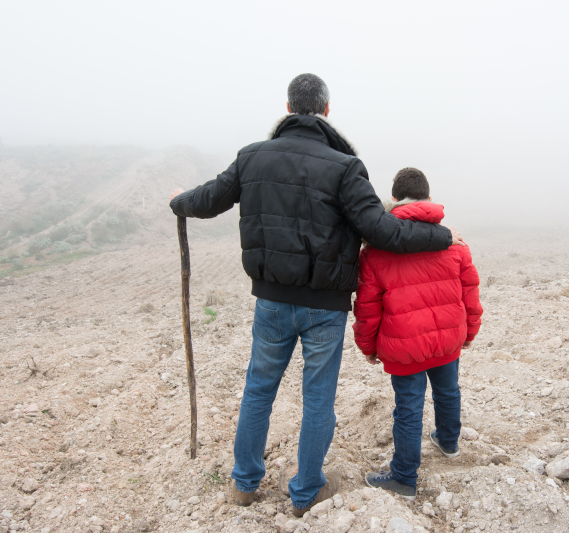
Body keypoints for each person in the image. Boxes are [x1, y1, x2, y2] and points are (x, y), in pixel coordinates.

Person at [167, 74, 464, 516]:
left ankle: (244, 484)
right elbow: (383, 230)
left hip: (271, 300)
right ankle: (306, 492)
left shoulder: (253, 157)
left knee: (258, 390)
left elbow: (208, 199)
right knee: (318, 399)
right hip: (324, 309)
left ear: (288, 107)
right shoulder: (345, 167)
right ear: (326, 110)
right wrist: (441, 236)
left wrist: (179, 201)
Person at [352, 167, 482, 500]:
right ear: (428, 197)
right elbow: (470, 292)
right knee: (448, 389)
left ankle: (404, 478)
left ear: (393, 200)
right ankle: (449, 442)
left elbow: (367, 308)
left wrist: (367, 346)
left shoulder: (376, 252)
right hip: (447, 339)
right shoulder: (455, 243)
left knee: (408, 408)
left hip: (403, 347)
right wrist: (469, 331)